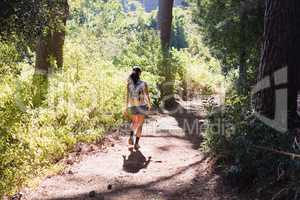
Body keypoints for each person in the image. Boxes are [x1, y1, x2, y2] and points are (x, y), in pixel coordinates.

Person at [125, 67, 151, 149]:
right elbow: (147, 95)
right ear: (140, 73)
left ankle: (131, 136)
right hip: (142, 106)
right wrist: (149, 104)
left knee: (134, 122)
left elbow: (127, 97)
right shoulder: (144, 83)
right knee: (140, 125)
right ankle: (136, 144)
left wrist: (126, 107)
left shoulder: (129, 84)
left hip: (132, 106)